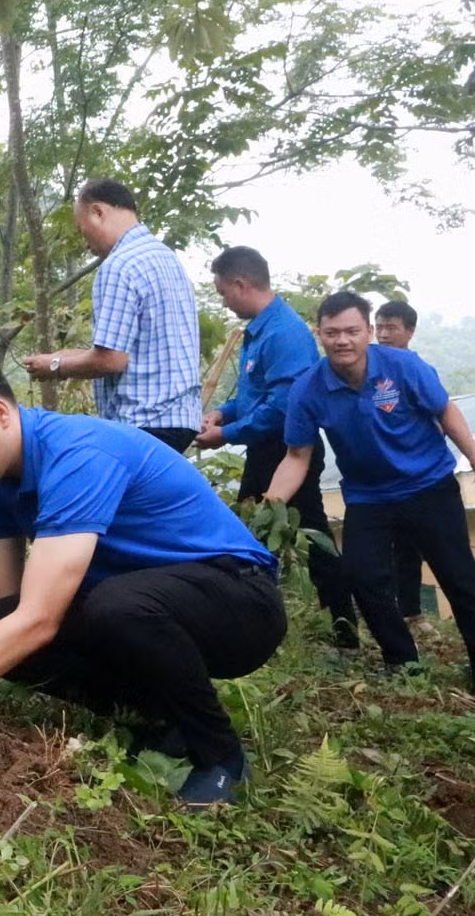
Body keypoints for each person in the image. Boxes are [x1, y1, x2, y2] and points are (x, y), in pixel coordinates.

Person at [0, 351, 285, 807]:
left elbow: (39, 618)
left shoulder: (78, 453)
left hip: (240, 601)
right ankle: (164, 718)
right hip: (148, 605)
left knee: (115, 607)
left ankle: (221, 758)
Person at [268, 292, 475, 685]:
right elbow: (297, 457)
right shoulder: (308, 389)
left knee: (460, 577)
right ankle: (403, 662)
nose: (342, 340)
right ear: (320, 335)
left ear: (367, 332)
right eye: (332, 332)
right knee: (362, 575)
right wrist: (271, 504)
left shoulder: (403, 366)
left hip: (428, 484)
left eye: (351, 331)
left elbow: (445, 409)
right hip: (368, 496)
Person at [194, 247, 360, 650]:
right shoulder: (258, 331)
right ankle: (264, 619)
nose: (223, 301)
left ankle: (343, 631)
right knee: (258, 531)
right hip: (263, 446)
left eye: (223, 292)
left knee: (305, 533)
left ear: (241, 284)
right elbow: (256, 395)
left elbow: (284, 406)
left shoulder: (284, 332)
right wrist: (222, 413)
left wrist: (227, 434)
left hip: (287, 450)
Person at [23, 179, 201, 452]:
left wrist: (55, 367)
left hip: (143, 423)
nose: (87, 245)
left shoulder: (119, 265)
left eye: (83, 233)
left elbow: (111, 361)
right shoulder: (166, 258)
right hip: (181, 420)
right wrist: (67, 356)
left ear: (97, 212)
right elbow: (136, 351)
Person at [374, 299, 428, 621]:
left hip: (417, 478)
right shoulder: (368, 369)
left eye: (391, 328)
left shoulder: (417, 370)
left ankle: (412, 613)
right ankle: (389, 614)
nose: (383, 335)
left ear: (409, 332)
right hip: (378, 480)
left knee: (412, 550)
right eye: (379, 327)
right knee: (383, 552)